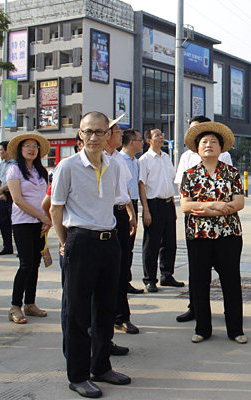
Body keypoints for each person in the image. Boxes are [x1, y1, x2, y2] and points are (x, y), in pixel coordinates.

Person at [51, 112, 131, 398]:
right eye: (89, 132)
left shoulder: (113, 165)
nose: (95, 137)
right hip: (80, 241)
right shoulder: (67, 167)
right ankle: (78, 375)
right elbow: (56, 209)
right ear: (80, 135)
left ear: (108, 134)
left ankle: (101, 366)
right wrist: (65, 242)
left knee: (105, 309)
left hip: (110, 242)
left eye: (100, 132)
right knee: (77, 313)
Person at [180, 121, 246, 344]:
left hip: (229, 234)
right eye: (204, 142)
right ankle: (202, 328)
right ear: (197, 148)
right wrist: (218, 206)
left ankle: (235, 330)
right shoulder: (189, 174)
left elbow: (238, 203)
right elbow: (186, 206)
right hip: (198, 236)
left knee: (231, 281)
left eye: (213, 142)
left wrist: (205, 207)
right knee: (199, 282)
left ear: (221, 148)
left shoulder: (232, 173)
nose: (208, 145)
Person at [175, 116, 233, 323]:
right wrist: (212, 206)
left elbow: (233, 200)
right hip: (196, 224)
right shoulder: (186, 161)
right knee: (198, 271)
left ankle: (232, 316)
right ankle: (196, 310)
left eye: (210, 139)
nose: (206, 143)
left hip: (225, 224)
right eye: (199, 137)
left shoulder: (226, 161)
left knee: (227, 272)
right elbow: (185, 202)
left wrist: (210, 208)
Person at [6, 133, 51, 324]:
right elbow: (17, 200)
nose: (32, 149)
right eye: (27, 146)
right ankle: (15, 306)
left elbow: (47, 197)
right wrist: (42, 215)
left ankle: (30, 304)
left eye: (35, 146)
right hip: (22, 222)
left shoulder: (41, 172)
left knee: (36, 264)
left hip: (40, 224)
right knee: (25, 264)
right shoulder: (14, 170)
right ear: (20, 149)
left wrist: (47, 219)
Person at [103, 116, 139, 335]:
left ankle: (121, 316)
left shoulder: (118, 158)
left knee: (122, 266)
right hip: (103, 216)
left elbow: (123, 191)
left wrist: (131, 214)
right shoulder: (95, 158)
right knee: (106, 269)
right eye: (117, 131)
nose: (120, 135)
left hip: (120, 215)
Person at [138, 128, 182, 292]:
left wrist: (172, 204)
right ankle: (150, 279)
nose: (161, 137)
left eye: (162, 135)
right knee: (151, 244)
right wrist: (146, 210)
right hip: (153, 205)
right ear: (149, 140)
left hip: (167, 204)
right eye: (157, 135)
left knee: (170, 242)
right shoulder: (144, 160)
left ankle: (167, 275)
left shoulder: (166, 157)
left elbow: (169, 182)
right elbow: (141, 185)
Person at [121, 128, 145, 295]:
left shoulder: (135, 162)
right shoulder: (118, 160)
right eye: (139, 139)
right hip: (122, 206)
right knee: (121, 248)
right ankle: (120, 282)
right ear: (131, 142)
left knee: (128, 247)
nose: (142, 142)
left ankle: (126, 281)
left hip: (133, 204)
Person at [0, 141, 16, 255]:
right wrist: (0, 193)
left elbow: (14, 180)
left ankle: (20, 248)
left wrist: (1, 189)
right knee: (3, 221)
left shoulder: (16, 164)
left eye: (1, 150)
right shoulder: (2, 164)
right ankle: (7, 247)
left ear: (7, 150)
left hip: (13, 194)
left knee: (15, 223)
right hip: (3, 196)